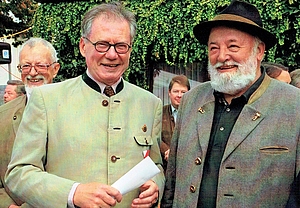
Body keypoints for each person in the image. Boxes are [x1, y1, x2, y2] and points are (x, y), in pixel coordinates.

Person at [5, 2, 164, 208]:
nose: (112, 54)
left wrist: (155, 185)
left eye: (121, 46)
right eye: (102, 44)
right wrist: (73, 193)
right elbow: (19, 172)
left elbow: (156, 165)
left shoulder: (150, 104)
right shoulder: (47, 99)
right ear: (83, 46)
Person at [161, 0, 300, 207]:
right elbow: (172, 180)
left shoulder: (294, 106)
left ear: (259, 51)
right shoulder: (191, 101)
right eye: (213, 48)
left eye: (233, 46)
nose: (222, 56)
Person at [0, 37, 60, 208]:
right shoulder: (2, 116)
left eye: (41, 65)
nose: (33, 72)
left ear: (55, 69)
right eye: (26, 66)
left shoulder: (77, 110)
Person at [160, 74, 190, 171]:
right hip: (164, 168)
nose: (179, 95)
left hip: (187, 168)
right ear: (169, 93)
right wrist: (167, 150)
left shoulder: (196, 114)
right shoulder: (159, 113)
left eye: (183, 92)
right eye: (176, 91)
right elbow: (154, 137)